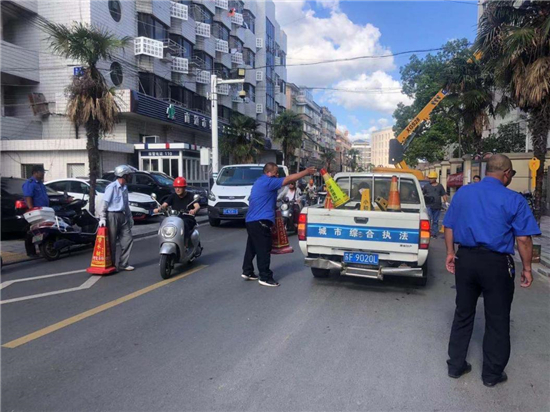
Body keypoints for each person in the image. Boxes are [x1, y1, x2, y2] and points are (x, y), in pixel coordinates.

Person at [443, 154, 540, 388]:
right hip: (496, 264)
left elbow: (449, 225)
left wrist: (449, 253)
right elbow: (524, 239)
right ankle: (491, 375)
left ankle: (456, 366)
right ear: (506, 173)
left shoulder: (464, 193)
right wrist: (527, 268)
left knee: (463, 313)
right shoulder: (514, 199)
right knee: (497, 318)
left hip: (465, 259)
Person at [242, 163, 316, 287]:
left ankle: (247, 271)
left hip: (251, 220)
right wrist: (306, 172)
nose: (277, 175)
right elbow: (289, 179)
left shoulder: (259, 181)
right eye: (276, 172)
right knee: (264, 249)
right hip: (261, 221)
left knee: (252, 247)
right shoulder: (269, 182)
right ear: (268, 173)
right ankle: (265, 277)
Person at [99, 165, 135, 272]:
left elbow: (126, 204)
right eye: (128, 175)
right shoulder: (112, 187)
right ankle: (112, 265)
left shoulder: (124, 188)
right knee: (112, 242)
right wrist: (102, 218)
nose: (130, 177)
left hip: (122, 215)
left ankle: (123, 263)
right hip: (112, 215)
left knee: (128, 239)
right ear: (123, 175)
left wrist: (130, 217)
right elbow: (104, 203)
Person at [154, 177, 200, 247]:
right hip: (175, 218)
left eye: (179, 187)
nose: (177, 189)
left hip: (187, 217)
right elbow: (165, 204)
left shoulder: (190, 196)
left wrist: (194, 210)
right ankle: (164, 241)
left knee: (185, 224)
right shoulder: (173, 196)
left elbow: (197, 206)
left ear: (184, 187)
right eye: (175, 187)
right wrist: (159, 209)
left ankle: (186, 243)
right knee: (164, 223)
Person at [22, 165, 49, 257]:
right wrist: (31, 209)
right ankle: (31, 252)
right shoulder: (30, 183)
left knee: (42, 230)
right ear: (35, 173)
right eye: (42, 172)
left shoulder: (40, 183)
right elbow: (28, 196)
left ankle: (43, 249)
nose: (43, 174)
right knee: (31, 231)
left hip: (43, 211)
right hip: (34, 212)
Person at [423, 172, 448, 238]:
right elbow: (423, 194)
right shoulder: (426, 186)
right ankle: (427, 232)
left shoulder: (440, 186)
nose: (430, 179)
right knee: (429, 219)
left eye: (431, 178)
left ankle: (434, 233)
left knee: (435, 220)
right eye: (429, 178)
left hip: (437, 206)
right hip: (428, 205)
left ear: (435, 179)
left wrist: (446, 202)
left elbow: (443, 194)